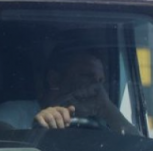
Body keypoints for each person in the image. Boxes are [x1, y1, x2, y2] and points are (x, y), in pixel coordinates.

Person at [0, 48, 138, 135]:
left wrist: (108, 110)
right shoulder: (15, 112)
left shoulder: (100, 125)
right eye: (86, 77)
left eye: (100, 81)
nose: (97, 88)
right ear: (54, 79)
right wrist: (37, 131)